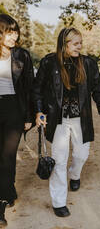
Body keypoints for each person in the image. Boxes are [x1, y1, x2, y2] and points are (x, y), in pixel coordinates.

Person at [33, 27, 100, 217]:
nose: (80, 46)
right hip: (57, 118)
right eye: (75, 43)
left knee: (81, 155)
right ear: (64, 44)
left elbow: (97, 87)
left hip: (81, 118)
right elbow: (37, 89)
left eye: (80, 43)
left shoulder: (88, 63)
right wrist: (38, 111)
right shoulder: (49, 62)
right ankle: (59, 201)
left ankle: (75, 175)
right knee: (59, 161)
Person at [0, 14, 34, 227]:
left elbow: (30, 87)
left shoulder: (22, 55)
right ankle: (8, 189)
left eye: (16, 32)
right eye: (10, 32)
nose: (15, 36)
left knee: (7, 156)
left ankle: (1, 203)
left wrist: (30, 116)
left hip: (14, 109)